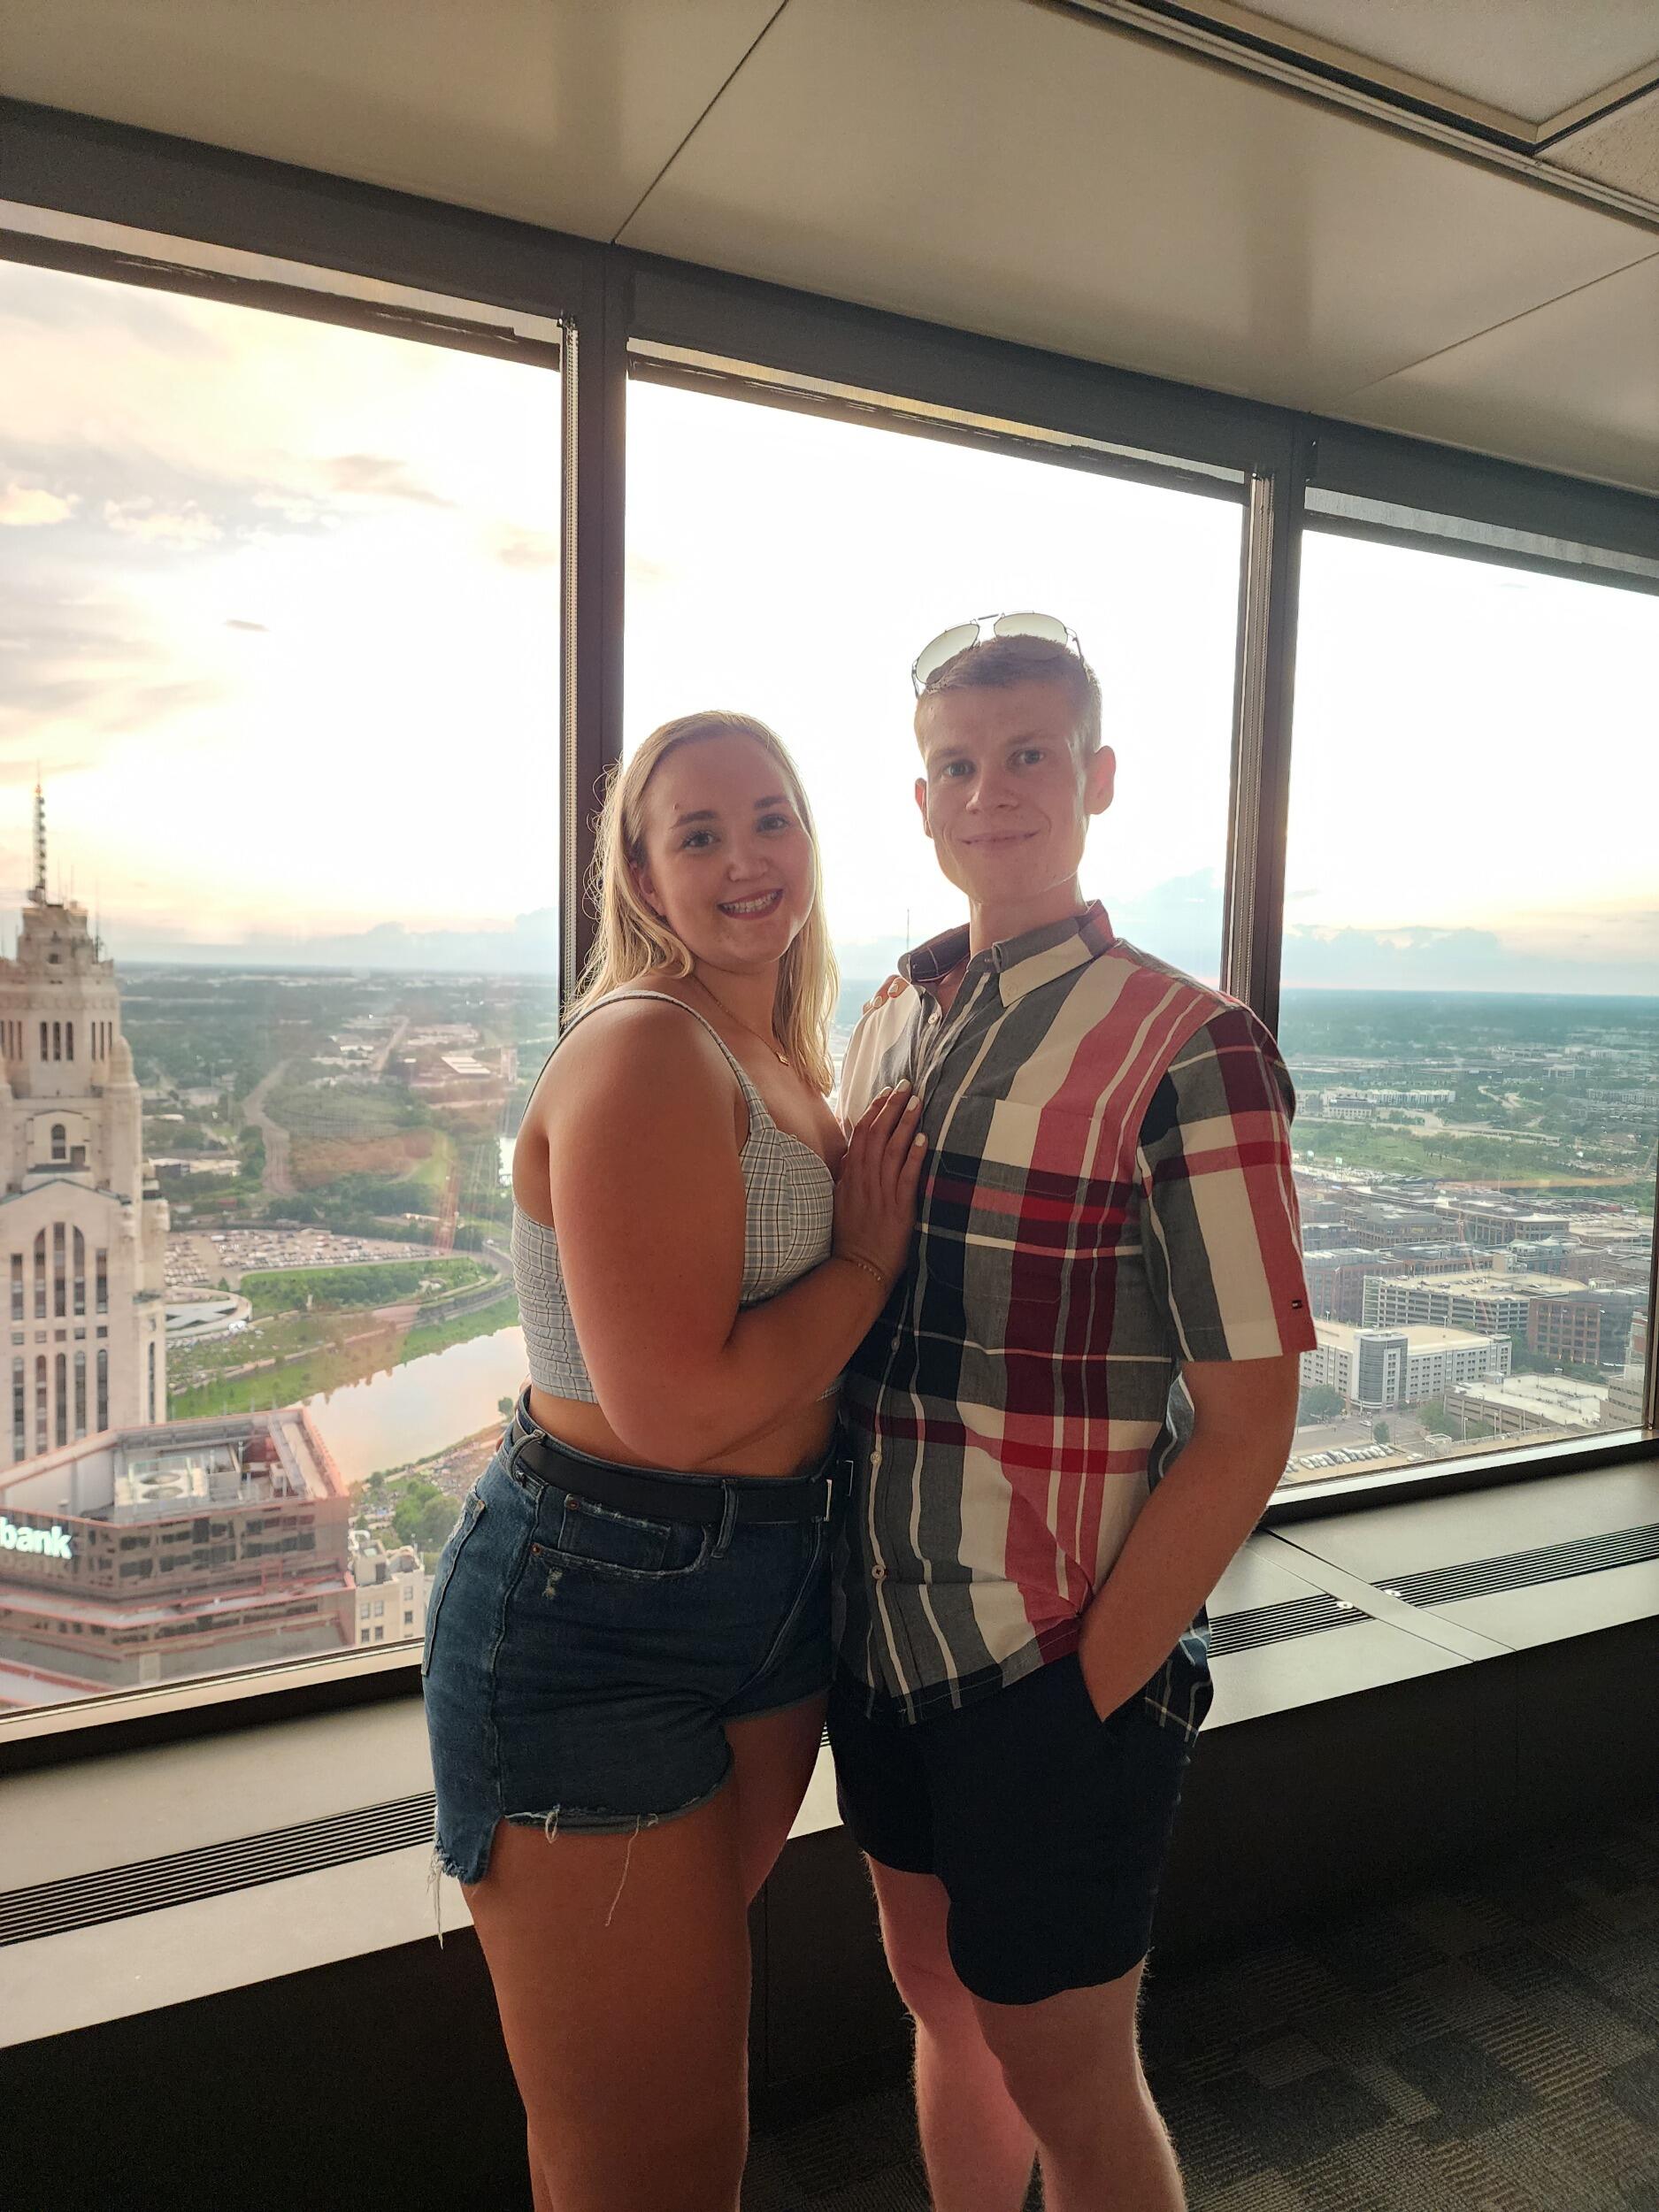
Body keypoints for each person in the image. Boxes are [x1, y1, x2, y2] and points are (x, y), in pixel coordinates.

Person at [832, 623, 1317, 2212]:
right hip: (882, 1650)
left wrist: (1089, 1689)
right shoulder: (892, 1018)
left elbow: (1250, 1418)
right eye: (961, 765)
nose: (995, 793)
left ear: (1097, 779)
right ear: (922, 802)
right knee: (944, 2013)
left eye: (1031, 754)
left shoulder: (1193, 1046)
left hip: (1044, 1668)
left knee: (1078, 2087)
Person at [422, 710, 926, 2212]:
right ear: (639, 878)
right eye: (696, 834)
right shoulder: (647, 1044)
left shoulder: (783, 1052)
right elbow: (668, 1410)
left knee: (676, 2108)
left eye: (769, 817)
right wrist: (868, 1261)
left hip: (764, 1586)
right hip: (599, 1607)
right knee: (654, 2154)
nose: (745, 857)